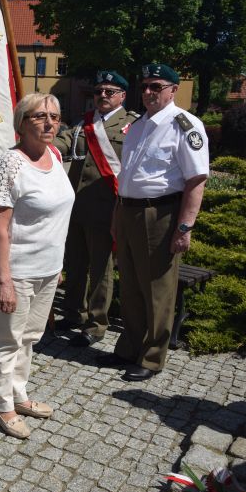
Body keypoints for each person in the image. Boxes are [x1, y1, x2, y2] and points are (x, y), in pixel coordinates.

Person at [102, 63, 209, 381]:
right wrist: (116, 217)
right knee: (131, 285)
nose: (148, 92)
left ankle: (151, 357)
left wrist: (184, 227)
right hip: (129, 211)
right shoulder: (137, 126)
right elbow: (127, 177)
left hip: (160, 215)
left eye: (156, 86)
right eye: (145, 86)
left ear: (174, 90)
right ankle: (130, 347)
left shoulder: (185, 125)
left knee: (158, 289)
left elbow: (196, 181)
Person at [0, 94, 75, 439]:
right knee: (8, 338)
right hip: (19, 269)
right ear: (22, 122)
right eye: (40, 116)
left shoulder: (54, 155)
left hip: (49, 268)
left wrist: (58, 264)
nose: (49, 123)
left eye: (55, 116)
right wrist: (4, 280)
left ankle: (19, 393)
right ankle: (1, 404)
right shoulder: (10, 163)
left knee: (30, 337)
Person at [54, 71, 139, 347]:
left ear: (122, 96)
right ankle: (73, 313)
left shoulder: (133, 126)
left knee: (100, 271)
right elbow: (63, 142)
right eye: (99, 91)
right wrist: (38, 141)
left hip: (107, 209)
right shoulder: (83, 123)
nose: (102, 95)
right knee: (75, 265)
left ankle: (96, 323)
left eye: (110, 91)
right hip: (76, 207)